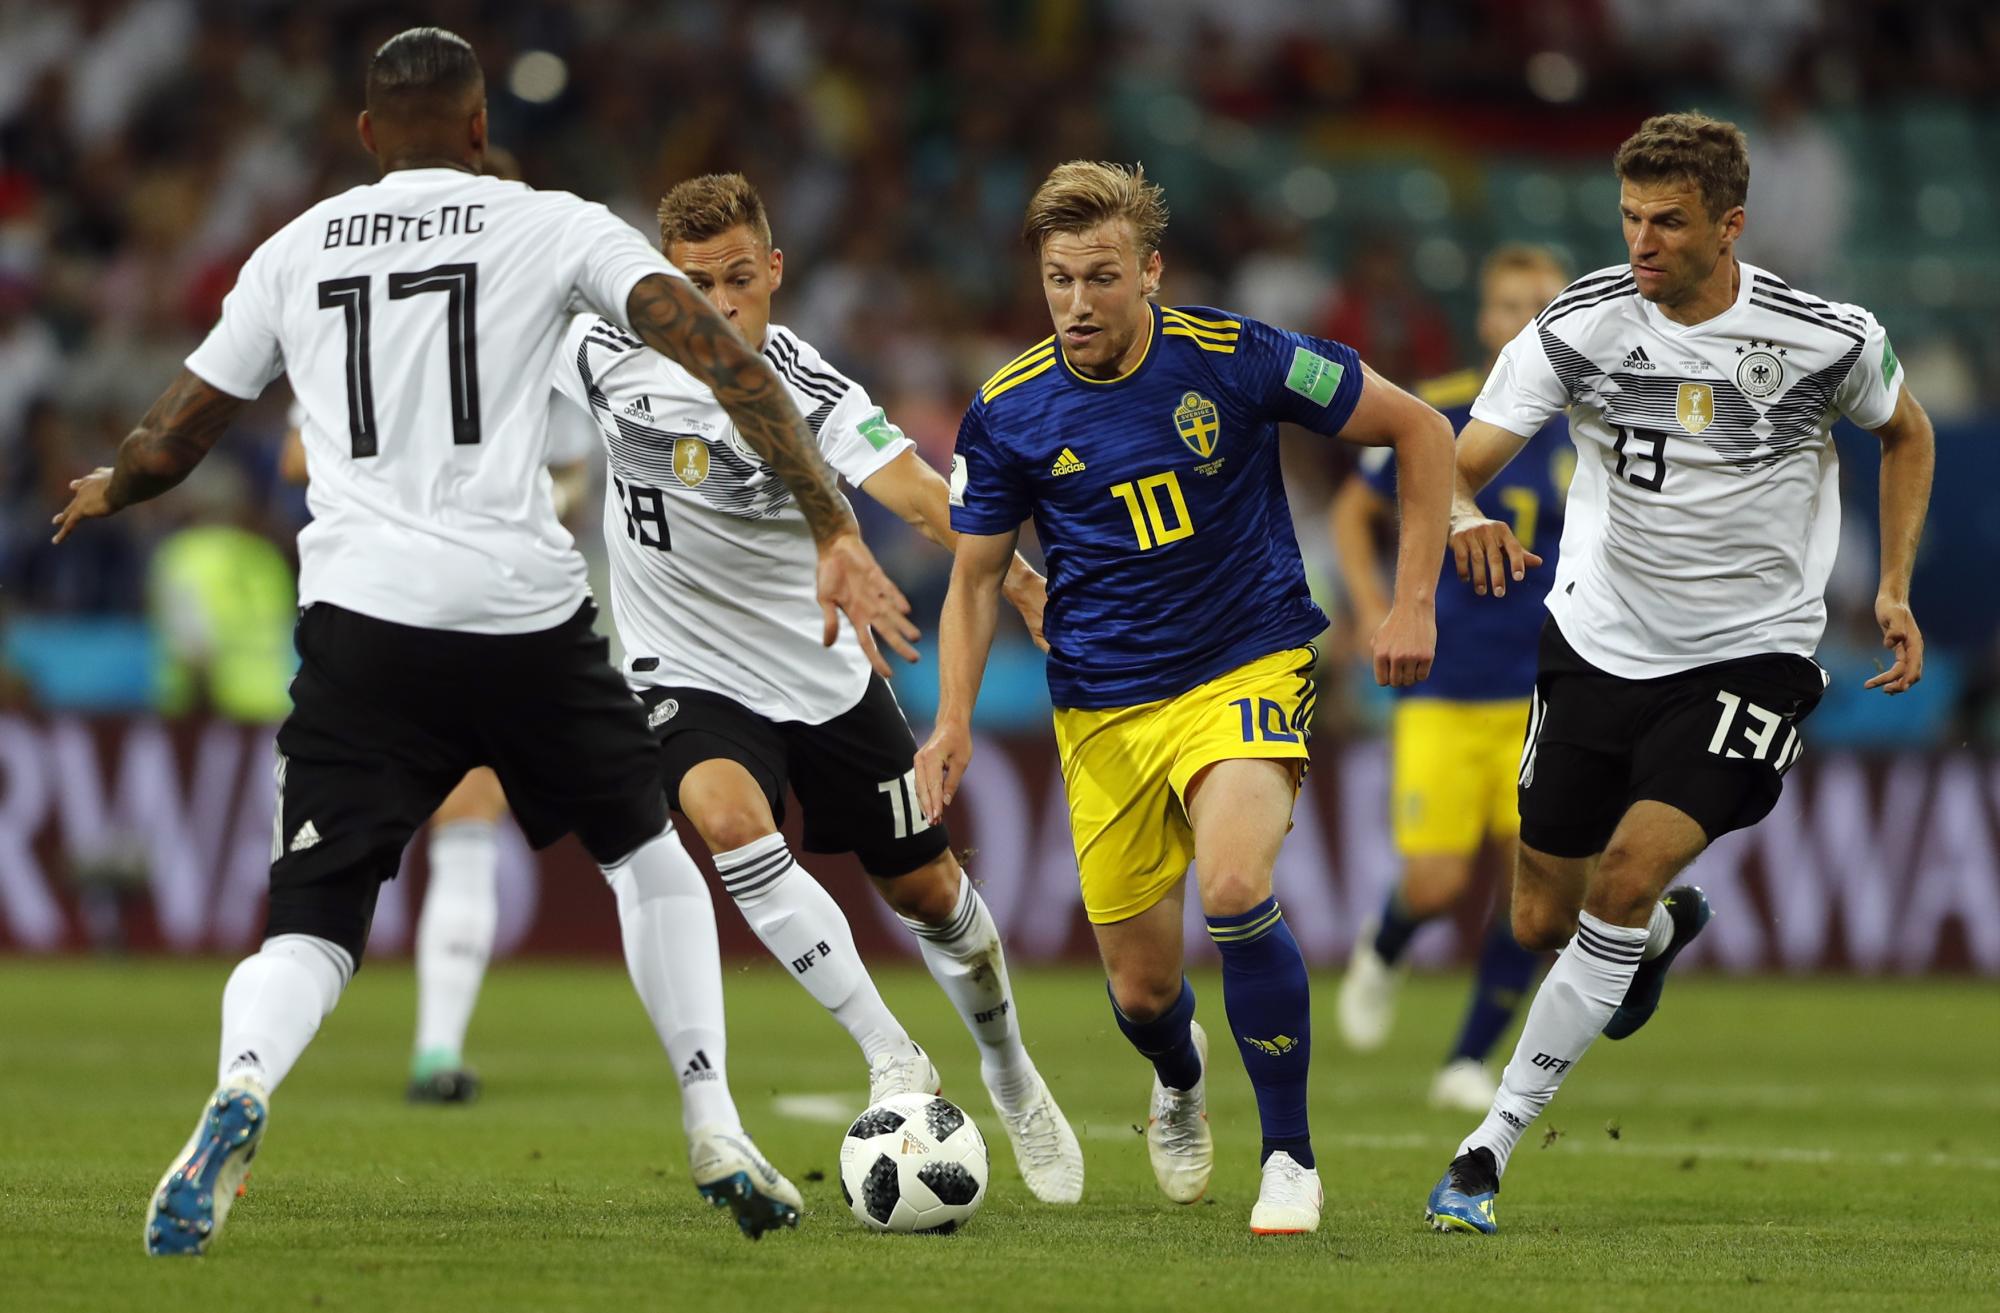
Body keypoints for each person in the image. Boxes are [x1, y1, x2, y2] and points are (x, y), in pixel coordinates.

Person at [52, 27, 916, 1254]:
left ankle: (242, 1081)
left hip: (359, 624)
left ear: (366, 134)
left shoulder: (294, 247)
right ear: (477, 128)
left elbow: (174, 435)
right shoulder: (549, 224)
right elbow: (721, 356)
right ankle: (712, 1120)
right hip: (520, 616)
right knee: (647, 858)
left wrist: (112, 485)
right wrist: (830, 519)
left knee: (310, 920)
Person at [915, 161, 1454, 1235]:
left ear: (1151, 271)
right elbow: (974, 580)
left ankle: (1290, 1157)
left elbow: (1422, 431)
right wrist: (952, 721)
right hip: (1104, 704)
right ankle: (1179, 1074)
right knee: (1142, 994)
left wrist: (1410, 603)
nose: (1076, 303)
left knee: (1236, 882)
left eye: (1100, 277)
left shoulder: (1236, 355)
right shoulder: (1009, 408)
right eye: (1058, 279)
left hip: (1245, 661)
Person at [1424, 113, 1933, 1234]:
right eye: (1629, 218)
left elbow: (1907, 432)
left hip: (1752, 654)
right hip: (1596, 641)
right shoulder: (1580, 325)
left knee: (1623, 872)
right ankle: (1654, 935)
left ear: (1728, 225)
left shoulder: (1824, 338)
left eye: (1667, 222)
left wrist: (1893, 584)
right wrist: (1463, 517)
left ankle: (1483, 1150)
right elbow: (1456, 464)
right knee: (1539, 917)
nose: (1641, 242)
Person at [550, 172, 1084, 1203]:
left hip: (824, 674)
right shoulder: (598, 349)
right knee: (724, 820)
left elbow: (917, 493)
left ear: (775, 270)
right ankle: (891, 1053)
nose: (717, 305)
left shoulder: (805, 382)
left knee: (929, 892)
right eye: (694, 283)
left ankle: (1011, 1072)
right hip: (684, 670)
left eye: (737, 279)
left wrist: (1021, 582)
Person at [278, 368, 594, 1105]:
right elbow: (298, 454)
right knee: (450, 811)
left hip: (382, 606)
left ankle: (274, 1059)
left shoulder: (374, 326)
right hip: (433, 600)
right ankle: (426, 1048)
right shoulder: (498, 332)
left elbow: (573, 476)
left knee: (445, 810)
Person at [1329, 245, 1573, 1112]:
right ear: (1486, 318)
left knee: (1536, 892)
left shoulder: (1595, 422)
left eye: (1545, 306)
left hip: (1546, 691)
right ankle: (1387, 941)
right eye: (1511, 304)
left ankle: (1468, 1058)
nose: (1527, 320)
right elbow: (1353, 511)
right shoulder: (1441, 411)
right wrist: (1370, 607)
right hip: (1444, 682)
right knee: (1435, 880)